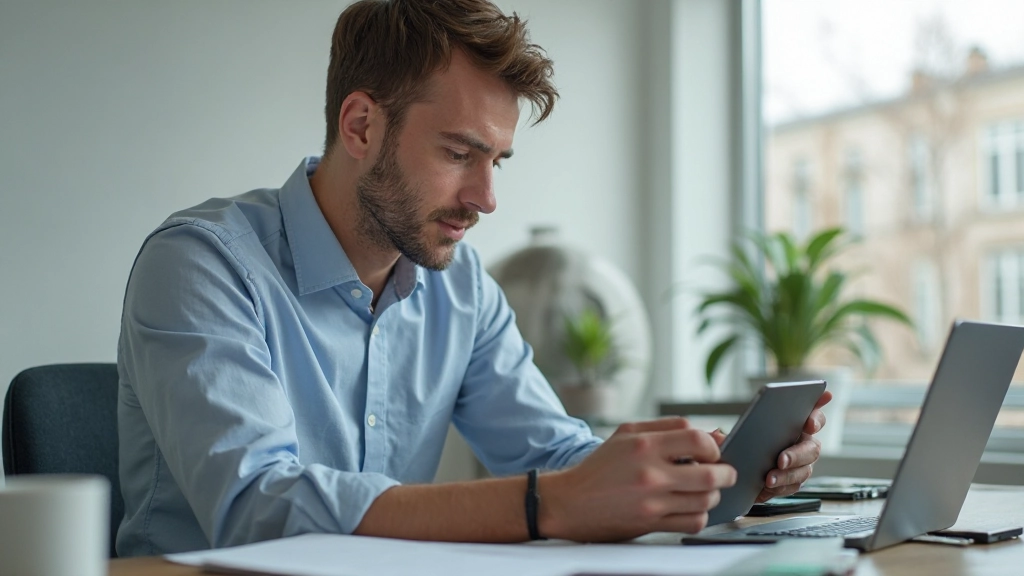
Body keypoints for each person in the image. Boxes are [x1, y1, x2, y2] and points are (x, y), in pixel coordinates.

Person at [116, 0, 831, 556]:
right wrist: (545, 504)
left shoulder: (460, 287)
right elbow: (258, 509)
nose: (487, 199)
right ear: (361, 126)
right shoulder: (201, 264)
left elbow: (557, 456)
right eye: (460, 153)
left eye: (498, 161)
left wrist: (709, 470)